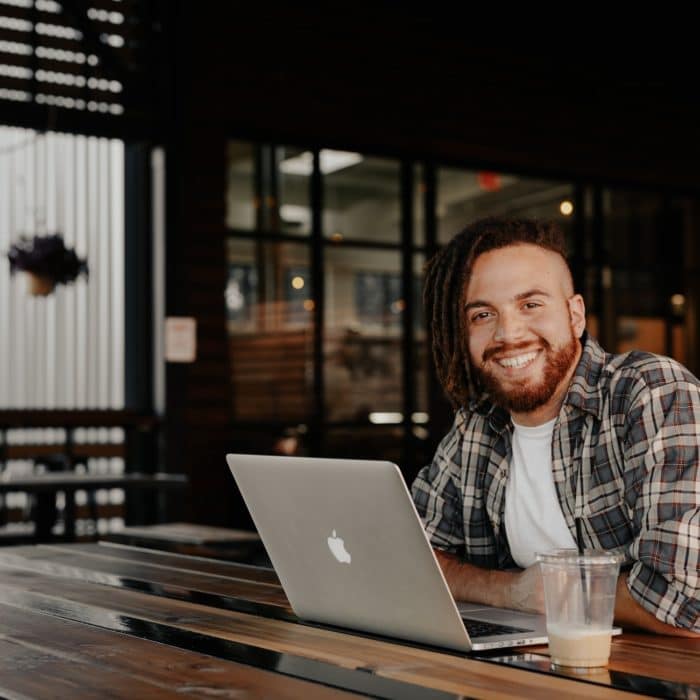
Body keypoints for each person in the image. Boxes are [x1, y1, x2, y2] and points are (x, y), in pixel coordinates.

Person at [412, 217, 699, 636]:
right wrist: (511, 592)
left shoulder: (649, 393)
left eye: (531, 305)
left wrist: (563, 592)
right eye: (483, 314)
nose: (508, 333)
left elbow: (685, 598)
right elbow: (412, 556)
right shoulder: (476, 427)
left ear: (575, 315)